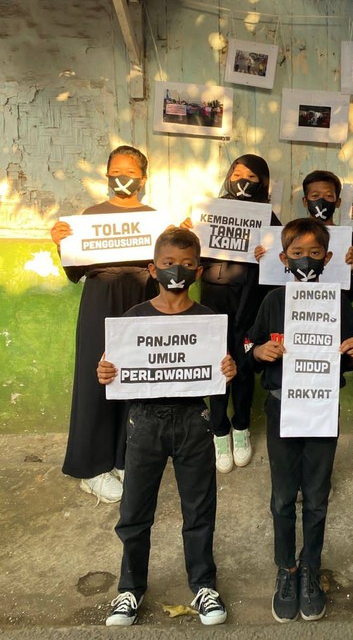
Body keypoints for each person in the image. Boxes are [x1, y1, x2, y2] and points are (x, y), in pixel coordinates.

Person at [97, 227, 236, 627]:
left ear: (199, 269)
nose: (178, 270)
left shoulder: (208, 319)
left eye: (188, 264)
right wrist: (106, 371)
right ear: (152, 268)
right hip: (144, 422)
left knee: (199, 509)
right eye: (169, 263)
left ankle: (204, 585)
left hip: (195, 420)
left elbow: (221, 369)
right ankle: (129, 588)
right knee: (135, 511)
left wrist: (228, 369)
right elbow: (113, 367)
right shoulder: (133, 319)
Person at [248, 219, 353, 623]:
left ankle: (310, 566)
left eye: (315, 254)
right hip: (282, 406)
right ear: (283, 259)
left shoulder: (339, 302)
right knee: (283, 497)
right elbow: (249, 341)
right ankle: (287, 568)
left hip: (321, 408)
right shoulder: (273, 302)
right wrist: (258, 351)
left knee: (316, 497)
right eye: (297, 254)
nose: (306, 261)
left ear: (328, 258)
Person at [51, 145, 156, 504]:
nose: (121, 178)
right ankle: (92, 468)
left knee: (135, 379)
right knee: (96, 379)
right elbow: (75, 273)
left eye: (129, 171)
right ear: (107, 175)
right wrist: (61, 244)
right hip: (100, 300)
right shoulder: (90, 216)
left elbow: (168, 265)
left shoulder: (155, 218)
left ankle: (125, 457)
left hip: (143, 300)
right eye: (115, 171)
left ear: (143, 178)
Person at [184, 154, 280, 474]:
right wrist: (189, 233)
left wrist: (265, 256)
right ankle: (219, 430)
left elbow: (282, 262)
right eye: (237, 174)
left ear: (263, 184)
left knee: (240, 366)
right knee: (215, 366)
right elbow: (188, 256)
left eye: (252, 178)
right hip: (211, 303)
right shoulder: (209, 212)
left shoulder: (269, 218)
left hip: (248, 306)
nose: (242, 181)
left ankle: (241, 427)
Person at [302, 169, 353, 300]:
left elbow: (348, 277)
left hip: (334, 303)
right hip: (298, 302)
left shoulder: (349, 238)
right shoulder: (291, 234)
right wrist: (264, 257)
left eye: (328, 196)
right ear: (305, 201)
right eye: (315, 196)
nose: (321, 201)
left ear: (337, 202)